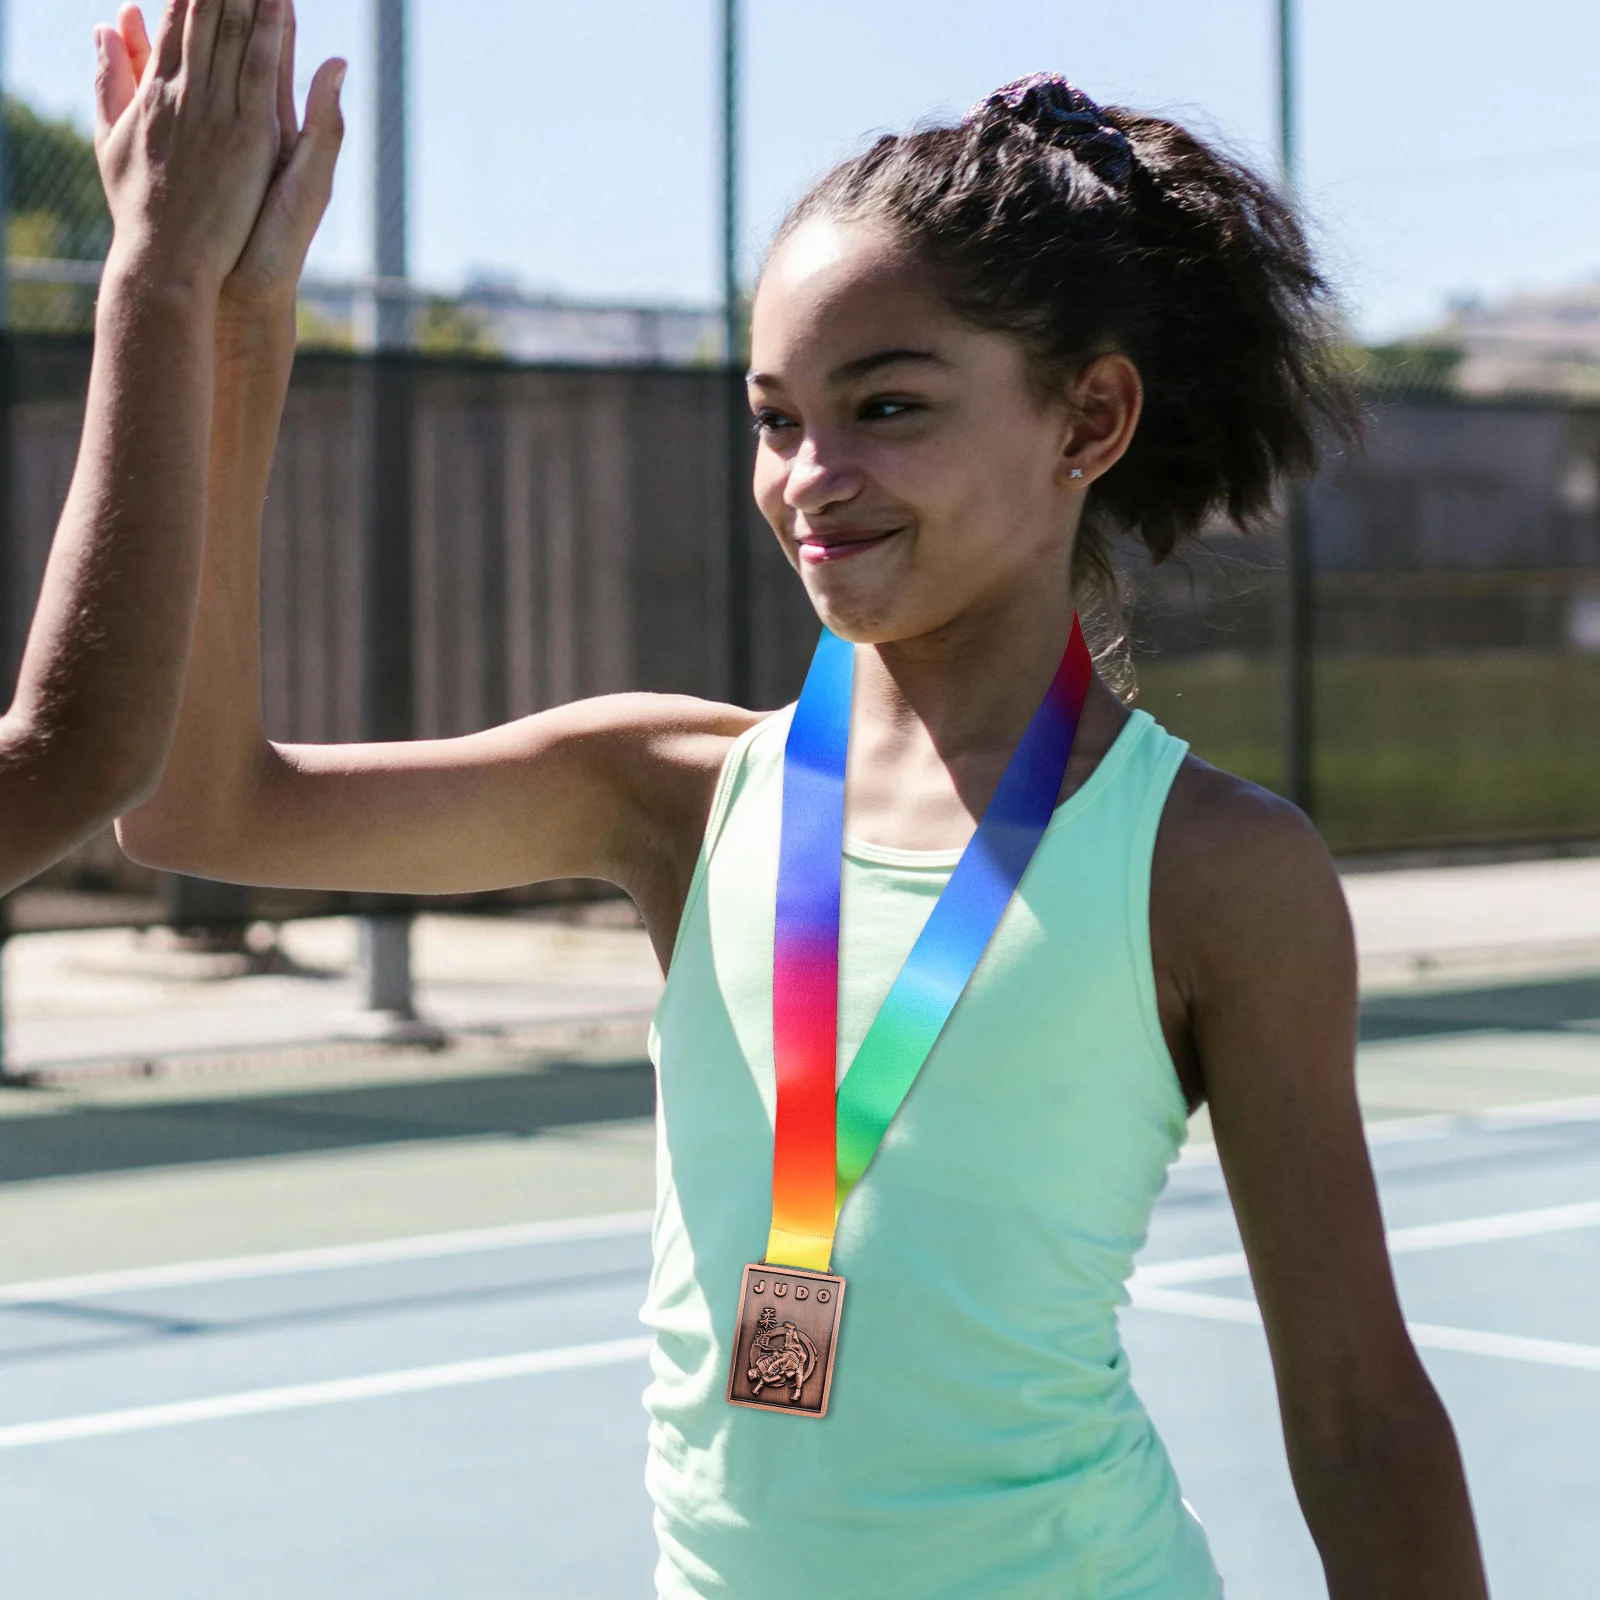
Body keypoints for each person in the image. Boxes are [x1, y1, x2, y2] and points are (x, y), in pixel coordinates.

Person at [118, 44, 1489, 1599]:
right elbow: (190, 803)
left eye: (888, 406)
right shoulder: (664, 789)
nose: (812, 478)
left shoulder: (1216, 869)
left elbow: (1359, 1417)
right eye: (776, 419)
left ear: (1089, 418)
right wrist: (228, 327)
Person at [0, 0, 343, 899]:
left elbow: (190, 812)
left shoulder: (647, 772)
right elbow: (82, 762)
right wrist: (165, 265)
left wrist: (235, 314)